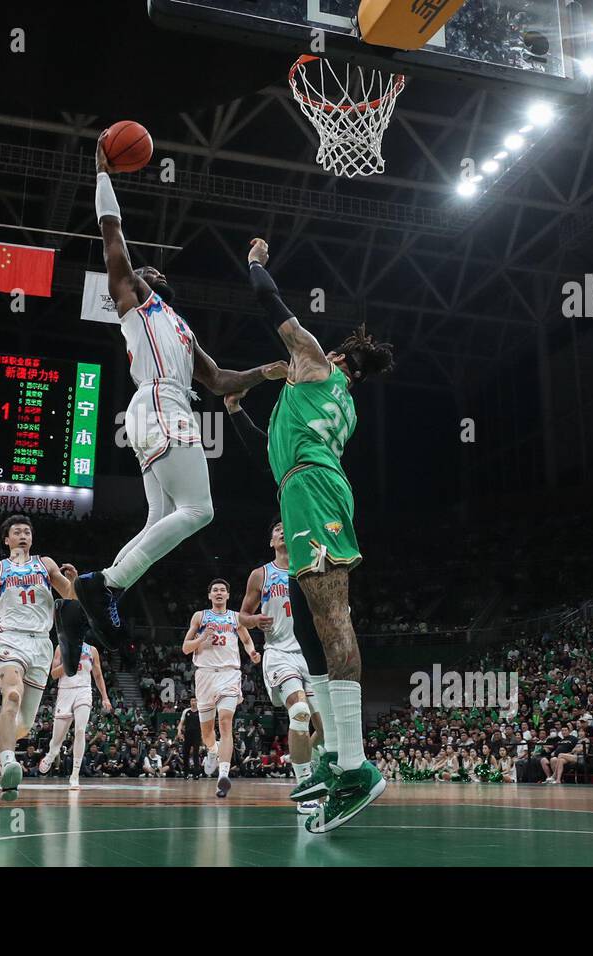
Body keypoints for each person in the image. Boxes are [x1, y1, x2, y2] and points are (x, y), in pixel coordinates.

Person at [72, 136, 287, 645]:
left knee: (163, 516)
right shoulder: (135, 300)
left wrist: (264, 372)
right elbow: (114, 239)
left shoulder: (181, 327)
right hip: (160, 404)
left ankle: (92, 602)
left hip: (162, 409)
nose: (154, 271)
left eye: (157, 272)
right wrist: (104, 177)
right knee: (202, 510)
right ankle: (103, 585)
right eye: (146, 271)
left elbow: (217, 381)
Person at [229, 237, 395, 833]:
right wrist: (237, 410)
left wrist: (255, 264)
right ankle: (332, 755)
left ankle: (355, 765)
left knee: (333, 621)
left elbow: (273, 308)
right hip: (303, 489)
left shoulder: (316, 364)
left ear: (338, 355)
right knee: (321, 627)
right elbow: (268, 454)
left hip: (315, 492)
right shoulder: (339, 405)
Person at [0, 514, 77, 795]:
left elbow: (71, 595)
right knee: (12, 694)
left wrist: (74, 582)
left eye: (27, 531)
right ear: (7, 539)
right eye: (17, 532)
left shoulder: (45, 563)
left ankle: (2, 740)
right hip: (10, 640)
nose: (23, 535)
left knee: (23, 725)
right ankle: (7, 760)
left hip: (41, 644)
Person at [239, 520, 324, 815]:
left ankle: (303, 758)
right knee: (299, 714)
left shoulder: (307, 569)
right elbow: (242, 616)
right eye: (276, 529)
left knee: (326, 731)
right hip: (279, 652)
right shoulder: (260, 574)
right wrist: (254, 621)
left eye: (286, 526)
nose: (282, 530)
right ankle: (305, 788)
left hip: (309, 654)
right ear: (272, 542)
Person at [181, 579, 261, 798]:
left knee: (226, 723)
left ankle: (223, 776)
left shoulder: (236, 617)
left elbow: (246, 640)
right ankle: (213, 751)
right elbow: (186, 648)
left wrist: (252, 653)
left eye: (222, 590)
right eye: (215, 590)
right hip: (205, 675)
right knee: (207, 734)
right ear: (209, 596)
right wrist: (201, 638)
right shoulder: (200, 616)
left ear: (227, 595)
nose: (218, 592)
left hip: (229, 674)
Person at [39, 636, 112, 790]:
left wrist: (105, 697)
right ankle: (52, 754)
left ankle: (75, 775)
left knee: (80, 731)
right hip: (65, 691)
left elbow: (98, 675)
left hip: (84, 691)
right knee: (57, 739)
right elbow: (54, 674)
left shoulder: (92, 650)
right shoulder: (61, 647)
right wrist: (69, 661)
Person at [175, 696, 203, 779]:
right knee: (185, 754)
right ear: (190, 702)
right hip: (187, 735)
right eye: (192, 701)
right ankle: (186, 773)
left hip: (197, 735)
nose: (193, 702)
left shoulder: (200, 712)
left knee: (195, 754)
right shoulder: (186, 711)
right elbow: (181, 723)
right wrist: (179, 731)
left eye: (195, 700)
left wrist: (203, 735)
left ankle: (196, 774)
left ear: (197, 702)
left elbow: (203, 724)